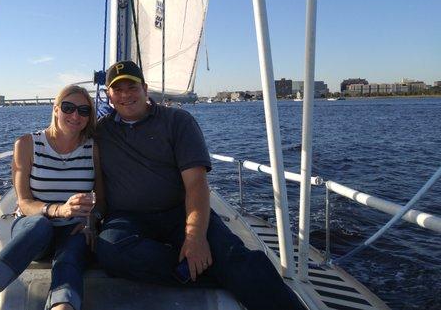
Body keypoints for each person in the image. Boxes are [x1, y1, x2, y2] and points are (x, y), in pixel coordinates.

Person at [94, 60, 304, 310]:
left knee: (234, 257)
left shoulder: (177, 121)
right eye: (118, 89)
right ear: (109, 95)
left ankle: (221, 268)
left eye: (132, 87)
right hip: (128, 217)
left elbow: (196, 184)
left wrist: (194, 238)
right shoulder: (101, 131)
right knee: (110, 251)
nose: (126, 95)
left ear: (145, 89)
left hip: (179, 211)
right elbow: (63, 135)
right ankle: (216, 271)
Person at [0, 85, 105, 310]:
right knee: (40, 225)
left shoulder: (92, 148)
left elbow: (101, 198)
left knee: (73, 252)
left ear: (89, 117)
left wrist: (91, 222)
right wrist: (59, 210)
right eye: (68, 108)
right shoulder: (28, 144)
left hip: (75, 228)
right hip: (35, 229)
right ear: (56, 109)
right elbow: (24, 202)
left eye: (84, 111)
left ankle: (63, 306)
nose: (75, 115)